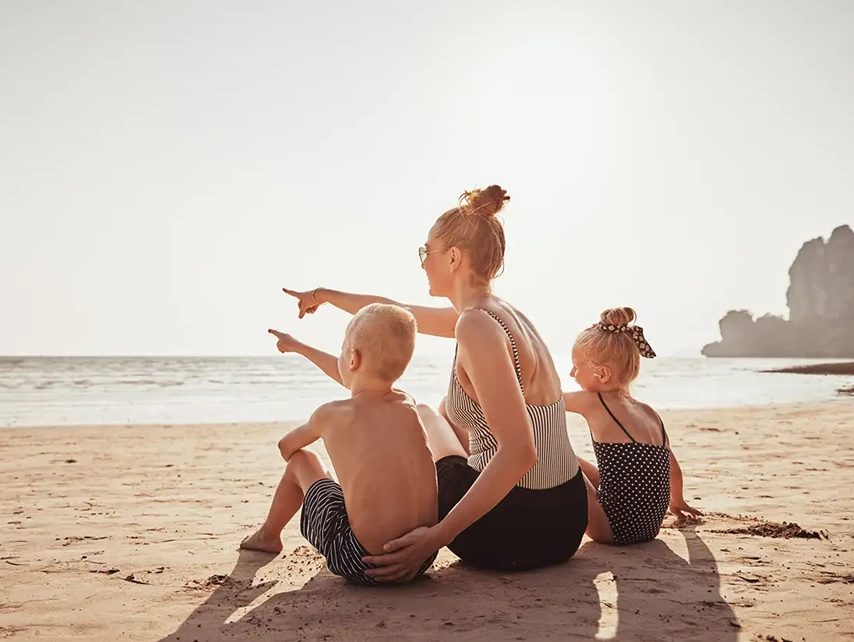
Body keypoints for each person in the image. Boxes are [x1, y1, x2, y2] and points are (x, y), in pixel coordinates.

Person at [282, 185, 587, 580]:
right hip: (566, 520)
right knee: (441, 409)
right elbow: (393, 309)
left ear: (454, 257)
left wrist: (435, 539)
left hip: (516, 531)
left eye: (427, 252)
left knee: (426, 412)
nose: (423, 263)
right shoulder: (500, 313)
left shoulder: (476, 325)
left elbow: (520, 452)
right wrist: (323, 295)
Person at [240, 303, 438, 585]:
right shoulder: (407, 403)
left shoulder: (330, 414)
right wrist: (299, 346)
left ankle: (267, 536)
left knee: (304, 460)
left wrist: (329, 470)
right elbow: (360, 381)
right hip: (421, 556)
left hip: (364, 561)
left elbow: (287, 448)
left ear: (352, 359)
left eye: (342, 350)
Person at [565, 307, 703, 545]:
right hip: (650, 528)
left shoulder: (594, 401)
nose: (571, 373)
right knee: (573, 460)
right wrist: (677, 501)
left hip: (610, 528)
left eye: (576, 367)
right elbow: (673, 468)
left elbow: (542, 400)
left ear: (602, 373)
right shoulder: (650, 413)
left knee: (556, 457)